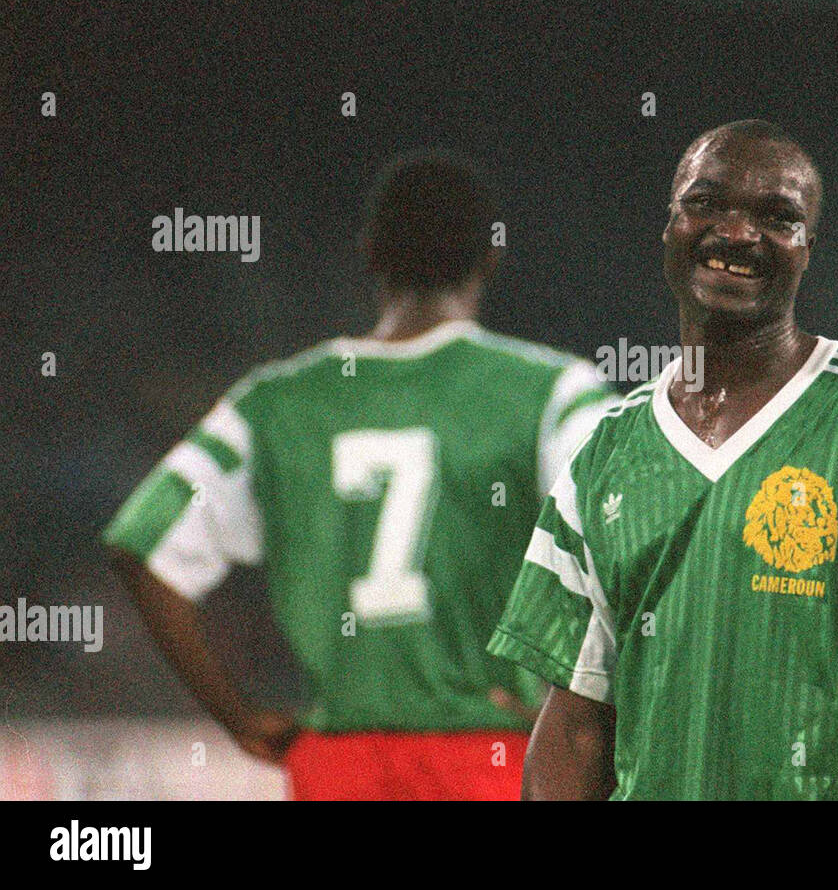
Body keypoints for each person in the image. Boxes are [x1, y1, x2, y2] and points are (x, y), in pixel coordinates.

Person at [489, 120, 838, 799]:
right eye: (706, 203)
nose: (737, 234)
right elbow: (574, 720)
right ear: (669, 227)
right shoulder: (606, 453)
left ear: (806, 249)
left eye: (776, 217)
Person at [105, 151, 616, 799]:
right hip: (491, 755)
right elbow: (626, 544)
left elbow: (139, 547)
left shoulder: (274, 403)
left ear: (370, 254)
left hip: (338, 765)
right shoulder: (552, 393)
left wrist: (238, 715)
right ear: (490, 259)